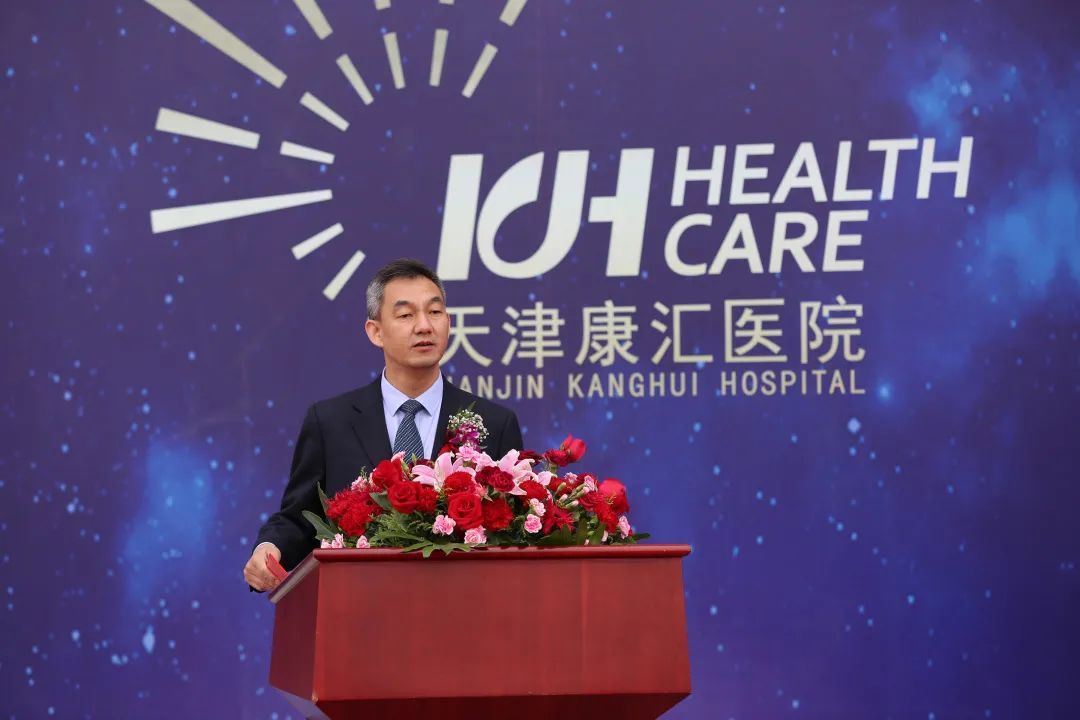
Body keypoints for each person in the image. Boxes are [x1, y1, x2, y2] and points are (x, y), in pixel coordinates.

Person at [243, 259, 523, 591]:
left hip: (462, 602)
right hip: (361, 604)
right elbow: (300, 518)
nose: (424, 326)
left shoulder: (494, 423)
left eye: (434, 312)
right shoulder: (330, 422)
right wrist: (269, 548)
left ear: (449, 322)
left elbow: (514, 528)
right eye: (406, 315)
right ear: (375, 331)